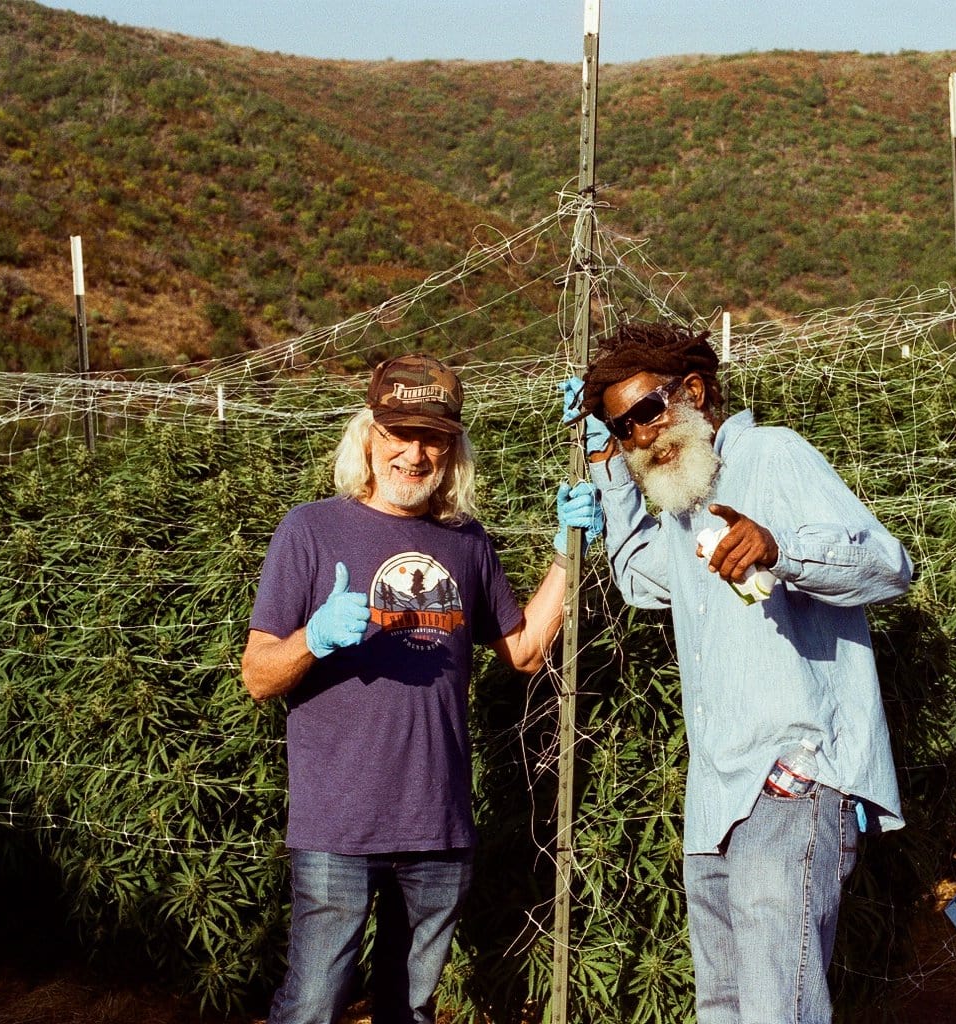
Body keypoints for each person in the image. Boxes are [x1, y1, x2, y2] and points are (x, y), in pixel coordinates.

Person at [561, 321, 913, 1024]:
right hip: (717, 796)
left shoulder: (771, 454)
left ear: (693, 392)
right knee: (723, 1006)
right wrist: (605, 477)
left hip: (788, 777)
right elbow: (639, 581)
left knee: (775, 1008)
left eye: (647, 411)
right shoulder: (679, 500)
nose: (641, 436)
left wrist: (780, 548)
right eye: (621, 427)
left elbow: (887, 564)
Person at [243, 353, 600, 1024]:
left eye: (431, 438)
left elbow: (523, 652)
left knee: (410, 1010)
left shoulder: (466, 542)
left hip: (437, 825)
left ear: (452, 450)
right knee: (312, 1004)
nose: (413, 453)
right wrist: (312, 640)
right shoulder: (310, 529)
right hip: (337, 828)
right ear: (368, 438)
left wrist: (565, 555)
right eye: (397, 435)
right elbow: (257, 675)